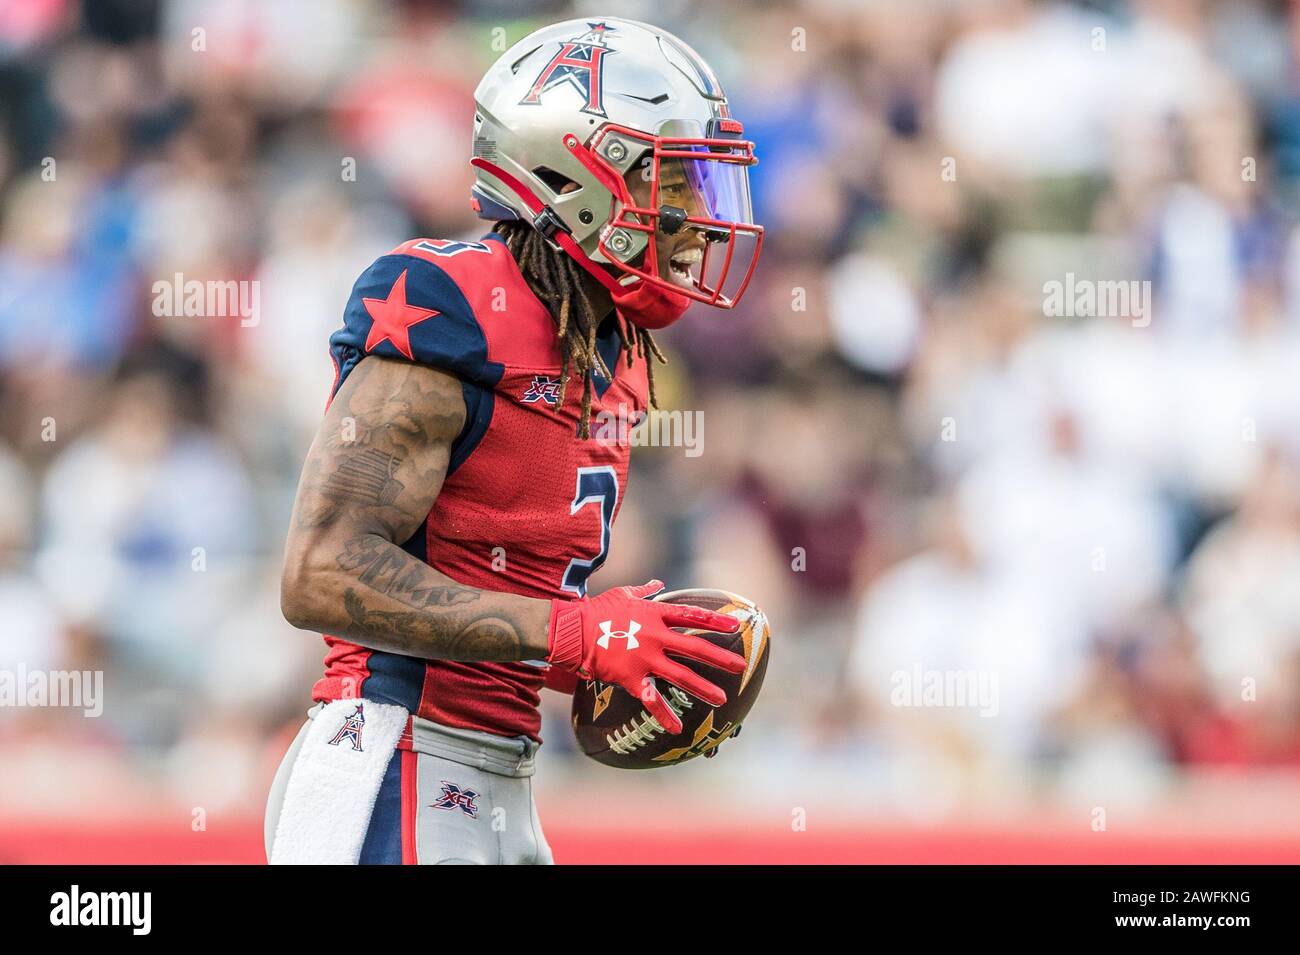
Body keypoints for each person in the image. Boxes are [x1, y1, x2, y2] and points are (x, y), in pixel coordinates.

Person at [265, 17, 765, 865]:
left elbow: (501, 578)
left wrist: (625, 654)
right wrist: (576, 636)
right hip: (393, 754)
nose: (699, 223)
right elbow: (322, 571)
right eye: (674, 187)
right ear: (575, 172)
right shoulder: (450, 298)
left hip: (497, 770)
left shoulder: (616, 352)